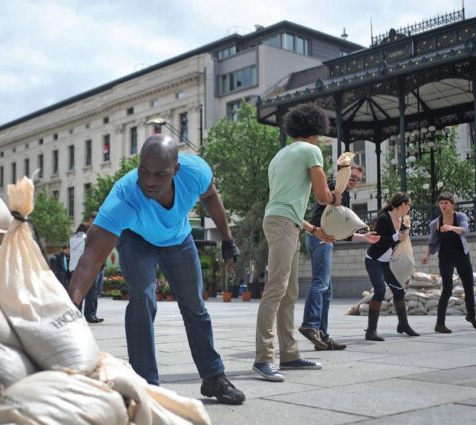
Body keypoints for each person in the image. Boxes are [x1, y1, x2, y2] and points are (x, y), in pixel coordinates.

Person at [68, 134, 245, 405]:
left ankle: (213, 376)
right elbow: (91, 257)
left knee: (195, 306)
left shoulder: (195, 172)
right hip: (136, 240)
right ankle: (146, 384)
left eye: (160, 175)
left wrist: (228, 240)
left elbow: (211, 196)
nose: (149, 182)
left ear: (176, 169)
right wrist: (71, 305)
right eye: (144, 172)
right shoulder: (124, 198)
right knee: (142, 299)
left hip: (178, 240)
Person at [253, 103, 340, 383]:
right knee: (276, 289)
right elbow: (322, 196)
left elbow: (284, 203)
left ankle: (289, 355)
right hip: (282, 224)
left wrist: (313, 229)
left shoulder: (280, 156)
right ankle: (263, 359)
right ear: (317, 128)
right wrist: (337, 195)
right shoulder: (311, 150)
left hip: (282, 221)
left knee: (289, 291)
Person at [299, 163, 380, 351]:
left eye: (358, 180)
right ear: (344, 175)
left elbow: (342, 230)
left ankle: (323, 338)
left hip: (321, 238)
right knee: (320, 283)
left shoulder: (341, 192)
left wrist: (364, 237)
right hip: (320, 238)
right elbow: (324, 202)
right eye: (352, 178)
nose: (355, 182)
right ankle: (310, 325)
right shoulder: (336, 187)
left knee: (327, 291)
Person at [421, 192, 476, 333]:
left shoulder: (460, 217)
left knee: (469, 286)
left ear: (452, 205)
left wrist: (451, 228)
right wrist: (426, 255)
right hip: (445, 257)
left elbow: (465, 229)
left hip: (461, 255)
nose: (443, 205)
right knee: (447, 289)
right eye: (441, 203)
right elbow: (432, 242)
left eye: (446, 203)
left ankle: (471, 316)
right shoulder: (435, 223)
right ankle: (440, 324)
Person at [364, 192, 420, 341]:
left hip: (387, 262)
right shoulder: (384, 218)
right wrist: (396, 237)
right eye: (409, 205)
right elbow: (378, 241)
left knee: (399, 291)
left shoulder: (402, 219)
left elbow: (397, 243)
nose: (410, 208)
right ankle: (370, 331)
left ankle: (403, 325)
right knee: (380, 291)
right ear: (402, 204)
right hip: (374, 260)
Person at [83, 211, 105, 323]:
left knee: (96, 290)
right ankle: (89, 314)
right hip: (90, 264)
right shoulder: (84, 230)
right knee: (90, 291)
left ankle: (93, 313)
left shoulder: (101, 230)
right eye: (94, 218)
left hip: (100, 264)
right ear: (90, 220)